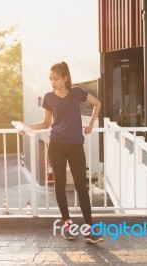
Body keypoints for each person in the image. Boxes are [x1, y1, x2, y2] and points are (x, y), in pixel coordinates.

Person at [16, 62, 103, 243]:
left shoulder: (77, 92)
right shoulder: (49, 97)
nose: (52, 82)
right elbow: (45, 124)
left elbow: (97, 103)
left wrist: (91, 124)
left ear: (65, 78)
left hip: (75, 145)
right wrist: (26, 126)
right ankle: (68, 226)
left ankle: (89, 230)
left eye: (55, 79)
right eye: (50, 79)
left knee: (81, 186)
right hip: (56, 146)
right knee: (60, 185)